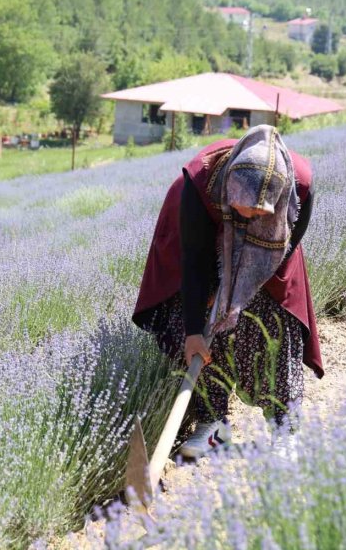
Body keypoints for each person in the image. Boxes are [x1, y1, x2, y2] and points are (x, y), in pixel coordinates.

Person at [132, 125, 323, 459]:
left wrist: (241, 288)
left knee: (274, 324)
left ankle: (284, 425)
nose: (248, 216)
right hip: (201, 241)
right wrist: (195, 329)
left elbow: (288, 249)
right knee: (199, 326)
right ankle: (212, 424)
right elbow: (193, 262)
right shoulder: (198, 186)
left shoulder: (300, 186)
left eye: (258, 212)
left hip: (271, 251)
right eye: (242, 208)